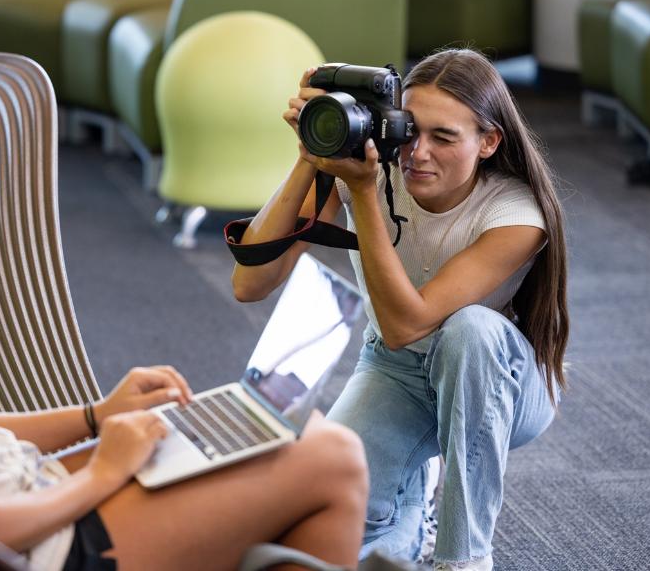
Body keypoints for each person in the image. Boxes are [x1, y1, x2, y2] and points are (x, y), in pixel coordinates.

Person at [0, 35, 369, 571]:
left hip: (27, 493)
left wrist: (94, 417)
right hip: (40, 548)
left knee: (274, 441)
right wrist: (103, 472)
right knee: (334, 458)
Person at [232, 49, 569, 571]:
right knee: (321, 519)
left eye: (444, 137)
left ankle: (464, 558)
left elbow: (404, 323)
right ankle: (413, 520)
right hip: (397, 370)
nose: (418, 153)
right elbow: (250, 283)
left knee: (470, 330)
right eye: (410, 129)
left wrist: (364, 193)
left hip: (497, 381)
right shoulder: (369, 165)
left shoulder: (515, 214)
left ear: (489, 141)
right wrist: (310, 154)